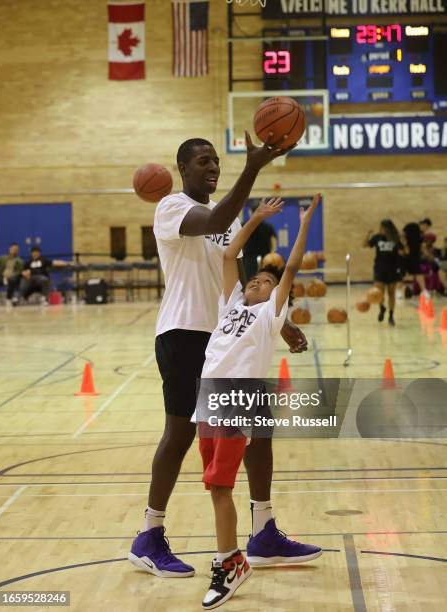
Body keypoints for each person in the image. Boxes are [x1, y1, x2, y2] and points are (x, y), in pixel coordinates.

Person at [128, 134, 318, 579]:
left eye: (216, 160)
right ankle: (148, 535)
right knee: (180, 434)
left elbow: (234, 277)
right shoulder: (171, 208)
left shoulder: (228, 221)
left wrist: (279, 320)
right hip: (181, 334)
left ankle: (264, 531)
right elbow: (217, 214)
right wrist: (252, 167)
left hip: (223, 340)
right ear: (182, 169)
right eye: (202, 161)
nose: (212, 166)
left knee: (258, 428)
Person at [196, 195, 321, 609]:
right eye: (255, 280)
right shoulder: (230, 303)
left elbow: (293, 266)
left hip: (238, 398)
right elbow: (231, 253)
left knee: (220, 482)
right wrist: (255, 217)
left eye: (266, 283)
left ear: (275, 299)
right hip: (209, 396)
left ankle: (228, 564)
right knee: (213, 485)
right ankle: (233, 560)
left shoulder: (269, 317)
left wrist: (303, 224)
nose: (257, 282)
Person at [364, 219, 403, 326]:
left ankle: (391, 316)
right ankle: (382, 308)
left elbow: (405, 251)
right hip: (379, 268)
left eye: (381, 227)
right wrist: (367, 234)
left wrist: (404, 242)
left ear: (386, 228)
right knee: (378, 292)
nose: (379, 229)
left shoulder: (395, 239)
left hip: (392, 269)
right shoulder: (377, 238)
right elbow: (365, 245)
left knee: (391, 293)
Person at [242, 199, 277, 280]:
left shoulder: (244, 226)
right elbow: (274, 242)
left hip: (249, 259)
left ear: (250, 212)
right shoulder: (268, 227)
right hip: (264, 258)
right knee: (265, 280)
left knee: (250, 281)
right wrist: (272, 255)